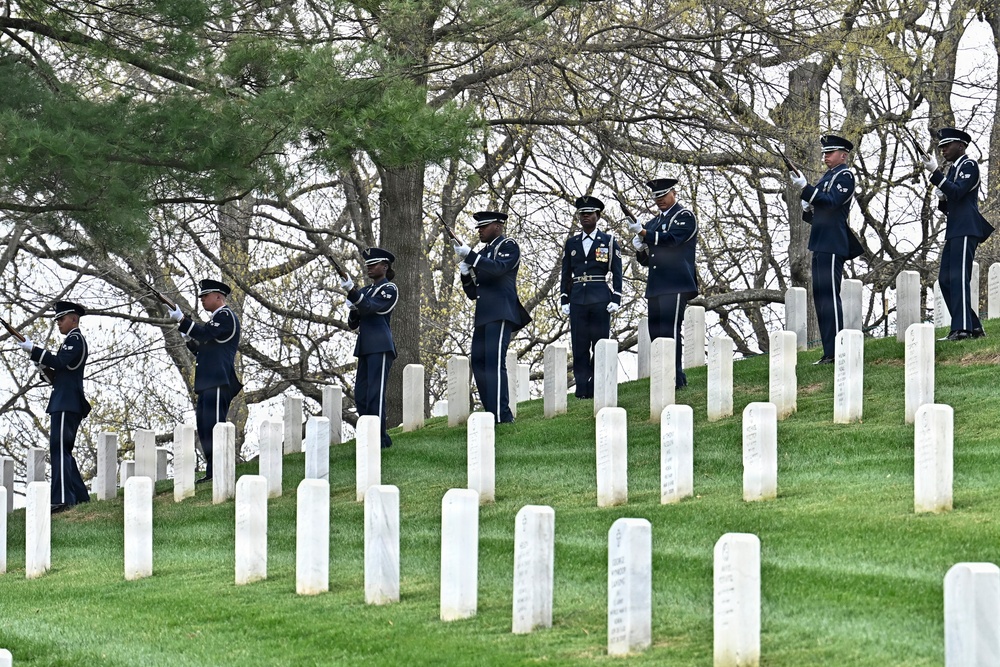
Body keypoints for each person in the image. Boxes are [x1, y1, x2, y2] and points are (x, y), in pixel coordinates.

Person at [790, 134, 864, 364]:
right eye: (824, 153)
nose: (825, 157)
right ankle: (829, 351)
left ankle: (837, 350)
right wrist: (808, 206)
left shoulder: (845, 176)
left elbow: (832, 202)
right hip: (821, 241)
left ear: (843, 155)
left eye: (829, 153)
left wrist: (807, 190)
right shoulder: (828, 177)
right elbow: (819, 213)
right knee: (821, 298)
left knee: (830, 297)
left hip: (833, 242)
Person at [453, 211, 531, 423]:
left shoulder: (508, 245)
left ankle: (502, 415)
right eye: (478, 227)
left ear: (497, 226)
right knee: (479, 361)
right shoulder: (483, 253)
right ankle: (490, 412)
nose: (479, 230)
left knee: (495, 362)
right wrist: (465, 272)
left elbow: (498, 270)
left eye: (483, 226)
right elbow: (472, 293)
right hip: (483, 314)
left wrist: (471, 256)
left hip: (500, 311)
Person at [920, 127, 995, 340]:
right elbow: (951, 202)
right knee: (945, 279)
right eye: (941, 146)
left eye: (947, 145)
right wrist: (942, 197)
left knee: (959, 278)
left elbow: (959, 192)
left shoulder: (969, 165)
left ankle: (962, 329)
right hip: (955, 228)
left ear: (961, 145)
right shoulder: (953, 169)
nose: (942, 150)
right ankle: (974, 326)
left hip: (966, 228)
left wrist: (936, 175)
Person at [18, 301, 91, 512]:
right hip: (64, 400)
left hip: (66, 402)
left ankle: (62, 499)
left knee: (59, 450)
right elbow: (57, 376)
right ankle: (79, 495)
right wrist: (39, 362)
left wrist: (34, 350)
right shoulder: (71, 341)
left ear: (74, 319)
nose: (58, 323)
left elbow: (59, 362)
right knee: (62, 450)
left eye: (61, 318)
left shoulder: (75, 339)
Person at [166, 279, 242, 482]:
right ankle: (212, 472)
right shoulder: (216, 320)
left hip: (218, 380)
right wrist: (188, 337)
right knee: (206, 428)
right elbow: (203, 348)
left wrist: (183, 320)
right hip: (208, 381)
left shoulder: (226, 316)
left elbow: (206, 334)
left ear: (219, 296)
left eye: (205, 296)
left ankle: (220, 470)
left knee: (215, 426)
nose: (202, 300)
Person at [627, 178, 698, 388]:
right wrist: (640, 248)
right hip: (657, 285)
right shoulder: (653, 223)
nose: (660, 201)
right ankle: (662, 376)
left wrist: (643, 234)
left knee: (670, 330)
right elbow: (649, 260)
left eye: (663, 196)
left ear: (673, 193)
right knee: (656, 332)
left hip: (675, 283)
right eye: (656, 197)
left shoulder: (684, 216)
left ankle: (676, 378)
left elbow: (672, 240)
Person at [560, 195, 623, 398]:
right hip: (577, 298)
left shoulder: (608, 241)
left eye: (589, 214)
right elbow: (565, 272)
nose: (585, 217)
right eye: (582, 214)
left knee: (600, 344)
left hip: (600, 298)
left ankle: (597, 385)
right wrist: (564, 297)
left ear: (598, 215)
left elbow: (617, 271)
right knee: (579, 345)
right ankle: (581, 387)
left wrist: (617, 297)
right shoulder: (572, 243)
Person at [343, 247, 398, 449]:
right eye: (367, 265)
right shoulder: (365, 291)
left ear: (385, 267)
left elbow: (373, 307)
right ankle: (368, 435)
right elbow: (353, 322)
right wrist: (352, 304)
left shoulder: (389, 289)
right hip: (365, 346)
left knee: (375, 393)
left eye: (373, 265)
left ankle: (379, 439)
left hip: (381, 346)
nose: (369, 268)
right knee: (361, 395)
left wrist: (353, 294)